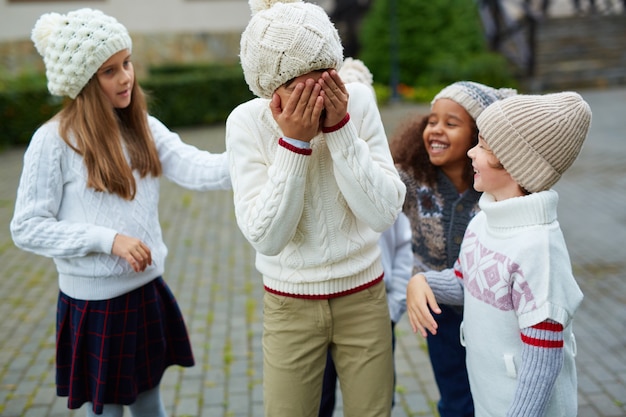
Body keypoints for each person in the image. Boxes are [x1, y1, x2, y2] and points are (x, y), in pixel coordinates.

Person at [10, 8, 231, 417]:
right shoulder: (52, 141)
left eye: (126, 63)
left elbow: (199, 167)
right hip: (96, 307)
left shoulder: (141, 125)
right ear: (83, 82)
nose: (126, 77)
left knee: (150, 403)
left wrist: (264, 153)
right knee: (107, 411)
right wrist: (107, 240)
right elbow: (26, 227)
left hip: (146, 292)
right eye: (109, 71)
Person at [225, 1, 406, 416]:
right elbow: (266, 237)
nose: (318, 95)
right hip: (290, 304)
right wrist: (294, 145)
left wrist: (341, 131)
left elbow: (383, 213)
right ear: (272, 88)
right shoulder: (246, 123)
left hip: (363, 296)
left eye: (325, 78)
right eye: (300, 87)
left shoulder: (356, 101)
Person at [406, 92, 591, 416]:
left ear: (515, 162)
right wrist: (424, 282)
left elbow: (542, 365)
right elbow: (468, 282)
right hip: (488, 400)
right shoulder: (482, 222)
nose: (472, 153)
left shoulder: (539, 251)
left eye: (483, 146)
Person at [390, 81, 516, 417]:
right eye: (432, 121)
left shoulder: (495, 188)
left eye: (451, 123)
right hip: (440, 313)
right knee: (455, 398)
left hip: (491, 313)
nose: (435, 130)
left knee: (494, 395)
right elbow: (374, 185)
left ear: (478, 135)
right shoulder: (414, 180)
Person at [318, 58, 413, 417]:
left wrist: (393, 306)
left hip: (374, 307)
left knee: (375, 400)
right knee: (319, 398)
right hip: (321, 303)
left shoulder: (387, 178)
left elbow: (404, 246)